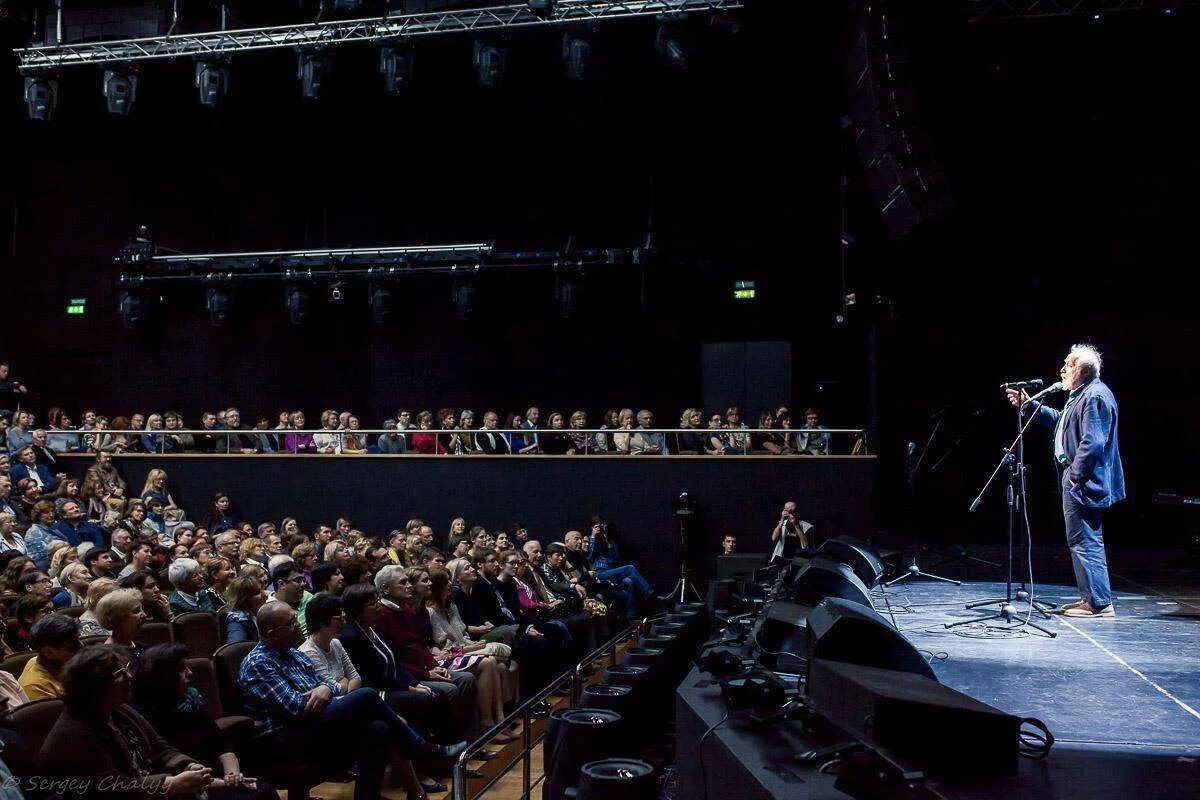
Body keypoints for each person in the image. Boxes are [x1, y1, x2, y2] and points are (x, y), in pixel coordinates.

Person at [238, 600, 465, 800]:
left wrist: (325, 688)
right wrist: (328, 689)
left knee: (378, 729)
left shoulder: (293, 653)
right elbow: (298, 706)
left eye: (294, 620)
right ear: (270, 633)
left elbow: (329, 688)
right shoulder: (259, 663)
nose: (297, 626)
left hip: (314, 723)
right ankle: (420, 747)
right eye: (289, 624)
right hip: (286, 736)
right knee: (366, 694)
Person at [1007, 343, 1125, 619]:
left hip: (1083, 479)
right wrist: (1032, 406)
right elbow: (1062, 422)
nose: (1062, 368)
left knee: (1085, 540)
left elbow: (1093, 442)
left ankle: (1098, 603)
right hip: (1078, 476)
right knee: (1082, 539)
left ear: (1082, 369)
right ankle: (1092, 598)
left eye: (1068, 364)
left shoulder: (1094, 396)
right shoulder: (1083, 395)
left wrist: (1075, 476)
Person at [40, 645, 217, 800]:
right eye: (120, 673)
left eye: (127, 669)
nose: (129, 676)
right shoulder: (73, 734)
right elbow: (114, 790)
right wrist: (173, 783)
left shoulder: (118, 709)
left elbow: (159, 746)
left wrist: (186, 764)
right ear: (96, 687)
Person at [131, 643, 274, 800]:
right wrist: (224, 783)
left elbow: (222, 745)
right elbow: (170, 774)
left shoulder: (192, 701)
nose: (190, 673)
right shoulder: (147, 718)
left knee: (263, 790)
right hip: (187, 790)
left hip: (215, 777)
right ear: (165, 677)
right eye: (182, 669)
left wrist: (232, 774)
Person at [19, 612, 82, 700]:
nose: (81, 646)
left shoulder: (58, 663)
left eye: (78, 639)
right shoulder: (35, 687)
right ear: (49, 652)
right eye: (72, 645)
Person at [224, 576, 267, 644]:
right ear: (243, 599)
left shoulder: (260, 613)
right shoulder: (236, 620)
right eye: (257, 592)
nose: (264, 594)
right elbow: (236, 648)